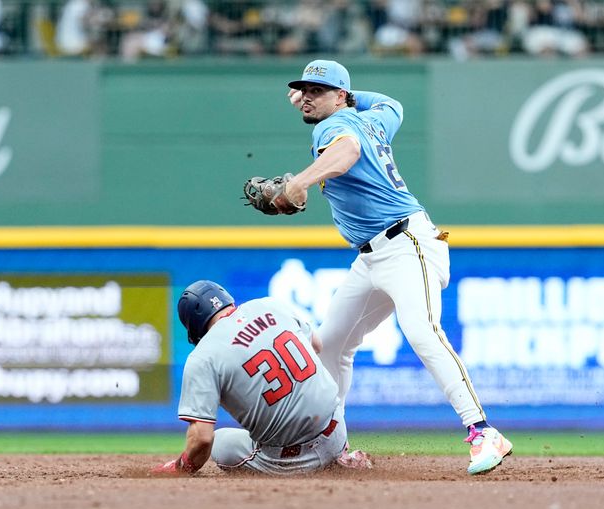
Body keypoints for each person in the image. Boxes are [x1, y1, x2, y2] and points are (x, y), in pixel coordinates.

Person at [279, 59, 513, 475]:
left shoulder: (333, 128)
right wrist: (341, 96)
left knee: (422, 330)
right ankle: (334, 446)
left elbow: (347, 151)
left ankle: (482, 431)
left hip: (407, 244)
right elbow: (393, 104)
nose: (307, 98)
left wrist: (300, 182)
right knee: (330, 344)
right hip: (372, 258)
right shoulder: (376, 119)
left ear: (340, 97)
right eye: (304, 90)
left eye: (318, 91)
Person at [152, 280, 371, 476]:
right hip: (337, 430)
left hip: (292, 459)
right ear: (227, 299)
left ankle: (306, 468)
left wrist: (180, 467)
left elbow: (202, 438)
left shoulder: (203, 357)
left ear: (193, 328)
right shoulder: (270, 304)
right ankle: (340, 457)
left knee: (219, 444)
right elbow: (317, 345)